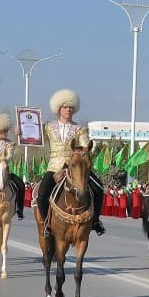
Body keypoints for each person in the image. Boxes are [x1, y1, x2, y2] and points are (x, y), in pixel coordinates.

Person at [36, 88, 106, 237]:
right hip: (54, 167)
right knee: (41, 195)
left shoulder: (80, 129)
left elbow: (85, 146)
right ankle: (46, 224)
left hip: (75, 167)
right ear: (59, 109)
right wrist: (20, 133)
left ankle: (95, 221)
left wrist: (87, 150)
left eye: (70, 107)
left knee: (99, 189)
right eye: (65, 107)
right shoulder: (48, 127)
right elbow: (33, 137)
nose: (68, 110)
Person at [0, 113, 26, 219]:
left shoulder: (9, 143)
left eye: (7, 130)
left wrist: (18, 136)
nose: (7, 132)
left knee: (21, 185)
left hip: (4, 171)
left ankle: (19, 209)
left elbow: (9, 156)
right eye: (5, 130)